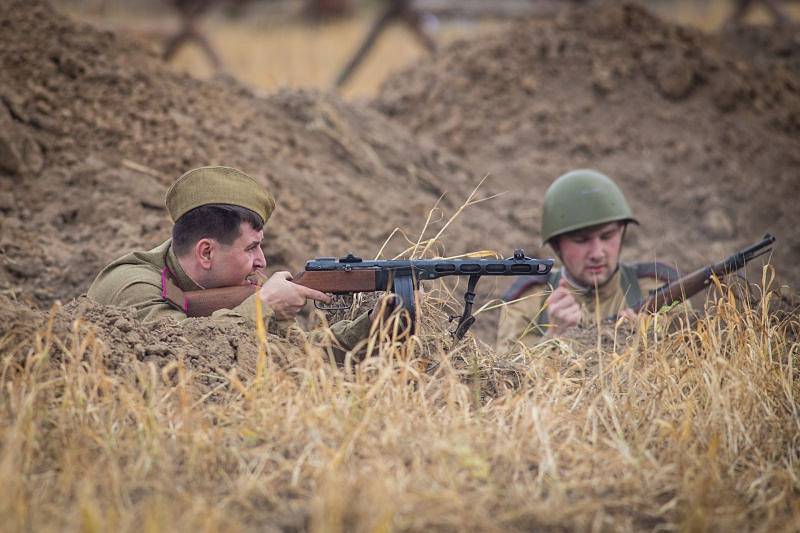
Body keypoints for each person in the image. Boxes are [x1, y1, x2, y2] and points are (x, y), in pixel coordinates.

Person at [88, 165, 374, 352]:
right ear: (206, 252)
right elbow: (184, 349)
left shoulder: (237, 290)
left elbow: (297, 357)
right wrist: (263, 307)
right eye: (250, 248)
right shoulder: (130, 285)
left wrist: (373, 327)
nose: (262, 261)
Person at [497, 169, 681, 348]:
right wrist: (553, 339)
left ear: (622, 232)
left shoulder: (659, 288)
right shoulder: (528, 302)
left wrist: (645, 349)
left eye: (607, 237)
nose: (597, 254)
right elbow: (508, 376)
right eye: (581, 240)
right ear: (556, 245)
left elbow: (693, 365)